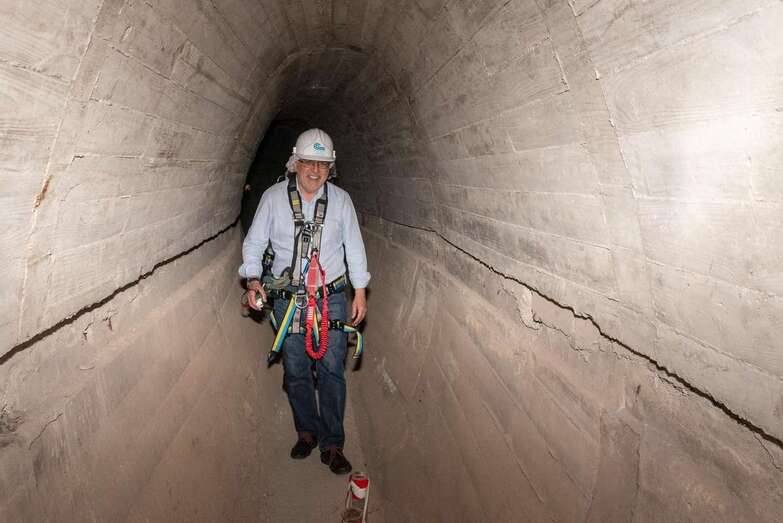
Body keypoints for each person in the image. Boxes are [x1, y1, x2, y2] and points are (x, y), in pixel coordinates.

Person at [238, 128, 369, 474]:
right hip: (288, 298)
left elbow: (354, 247)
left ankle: (333, 443)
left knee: (331, 371)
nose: (315, 170)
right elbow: (254, 244)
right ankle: (307, 431)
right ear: (295, 162)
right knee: (296, 370)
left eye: (323, 164)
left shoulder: (341, 201)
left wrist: (359, 290)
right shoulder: (272, 198)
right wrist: (253, 279)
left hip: (331, 299)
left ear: (331, 168)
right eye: (309, 162)